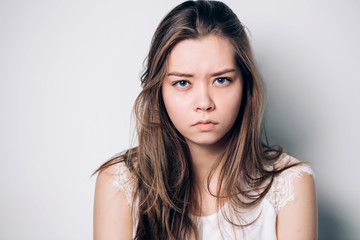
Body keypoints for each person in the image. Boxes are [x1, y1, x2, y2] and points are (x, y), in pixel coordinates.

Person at [93, 1, 318, 239]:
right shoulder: (121, 183)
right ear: (159, 91)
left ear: (246, 84)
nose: (204, 103)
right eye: (182, 83)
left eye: (221, 80)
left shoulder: (290, 183)